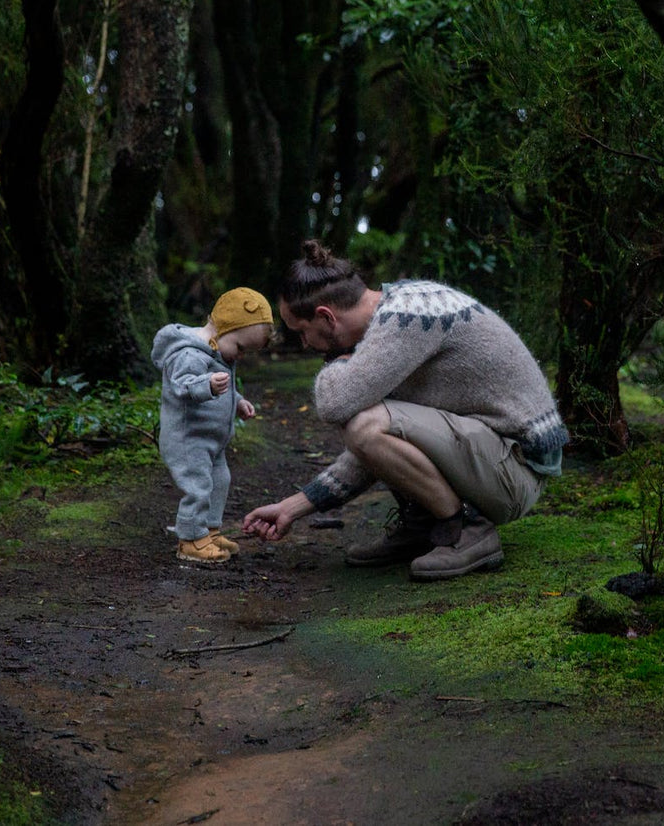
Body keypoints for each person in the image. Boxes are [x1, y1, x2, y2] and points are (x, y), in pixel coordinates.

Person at [242, 241, 568, 581]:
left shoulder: (409, 316)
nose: (304, 345)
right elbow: (378, 448)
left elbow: (335, 403)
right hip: (490, 457)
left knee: (364, 423)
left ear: (326, 317)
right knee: (370, 425)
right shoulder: (395, 317)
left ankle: (467, 529)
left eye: (301, 333)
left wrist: (338, 362)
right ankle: (424, 525)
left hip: (513, 471)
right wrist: (294, 507)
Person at [153, 287, 274, 565]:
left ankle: (209, 530)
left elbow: (225, 388)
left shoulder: (219, 351)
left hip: (212, 440)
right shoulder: (188, 354)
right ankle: (190, 540)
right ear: (222, 329)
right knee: (197, 487)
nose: (239, 356)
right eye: (241, 348)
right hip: (188, 438)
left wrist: (238, 401)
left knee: (220, 481)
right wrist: (206, 385)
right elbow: (181, 384)